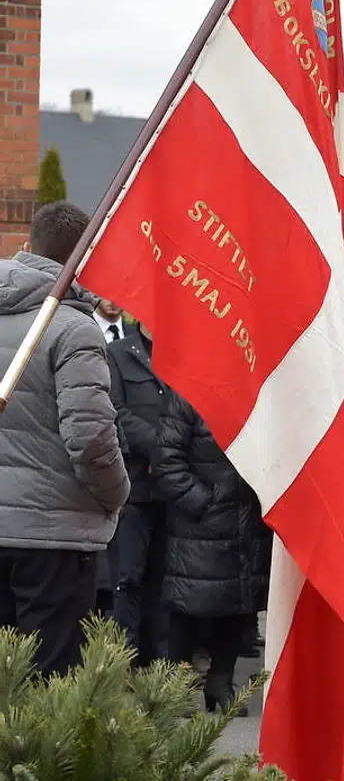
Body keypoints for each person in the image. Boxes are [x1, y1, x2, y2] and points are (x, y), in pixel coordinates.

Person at [0, 201, 128, 675]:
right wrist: (116, 495)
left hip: (34, 527)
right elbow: (91, 437)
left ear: (27, 245)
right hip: (51, 539)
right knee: (46, 685)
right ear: (85, 257)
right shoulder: (75, 330)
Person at [153, 388, 271, 713]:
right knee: (188, 605)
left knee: (237, 602)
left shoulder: (253, 388)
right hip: (200, 523)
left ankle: (221, 680)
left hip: (246, 521)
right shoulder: (187, 391)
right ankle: (176, 686)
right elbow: (166, 461)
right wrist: (203, 502)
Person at [107, 322, 171, 665]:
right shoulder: (118, 353)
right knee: (127, 577)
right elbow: (116, 410)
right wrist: (160, 449)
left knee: (163, 579)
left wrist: (171, 455)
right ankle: (125, 661)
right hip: (134, 486)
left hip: (171, 487)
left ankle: (157, 663)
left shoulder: (180, 356)